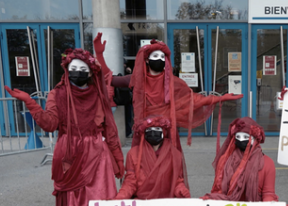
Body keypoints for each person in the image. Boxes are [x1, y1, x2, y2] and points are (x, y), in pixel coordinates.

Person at [5, 48, 124, 206]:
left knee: (96, 201)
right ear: (66, 70)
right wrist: (30, 103)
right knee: (68, 201)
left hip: (96, 153)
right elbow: (50, 124)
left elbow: (111, 130)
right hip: (68, 152)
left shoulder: (99, 95)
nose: (77, 73)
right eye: (73, 69)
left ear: (90, 72)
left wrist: (119, 160)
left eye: (83, 69)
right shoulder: (56, 94)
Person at [93, 33, 242, 151]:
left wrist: (221, 98)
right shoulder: (136, 80)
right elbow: (110, 79)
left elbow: (195, 100)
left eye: (161, 57)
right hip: (144, 133)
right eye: (154, 56)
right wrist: (99, 55)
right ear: (146, 60)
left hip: (167, 133)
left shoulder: (173, 83)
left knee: (168, 170)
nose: (159, 60)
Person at [202, 117, 279, 203]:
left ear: (255, 139)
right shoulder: (225, 160)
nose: (241, 139)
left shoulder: (268, 163)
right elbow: (218, 190)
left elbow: (268, 193)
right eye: (238, 136)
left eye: (245, 136)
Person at [114, 115, 190, 200]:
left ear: (164, 132)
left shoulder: (175, 155)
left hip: (165, 203)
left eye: (157, 129)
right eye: (149, 130)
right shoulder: (133, 154)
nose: (153, 133)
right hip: (142, 204)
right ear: (144, 133)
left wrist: (183, 192)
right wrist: (120, 198)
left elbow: (177, 181)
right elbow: (130, 181)